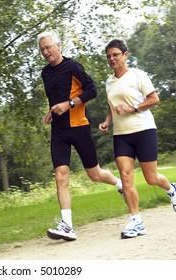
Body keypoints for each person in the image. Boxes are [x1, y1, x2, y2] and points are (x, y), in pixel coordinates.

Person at [37, 31, 123, 242]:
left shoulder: (73, 66)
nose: (45, 52)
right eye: (42, 49)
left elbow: (91, 90)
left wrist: (70, 104)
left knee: (94, 175)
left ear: (58, 45)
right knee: (60, 175)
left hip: (79, 127)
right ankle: (67, 226)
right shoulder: (45, 73)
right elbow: (56, 97)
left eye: (48, 47)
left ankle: (118, 183)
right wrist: (51, 111)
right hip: (59, 130)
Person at [99, 39, 176, 239]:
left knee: (151, 178)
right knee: (126, 177)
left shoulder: (138, 75)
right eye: (109, 56)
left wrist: (133, 108)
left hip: (143, 130)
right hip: (121, 135)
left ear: (125, 55)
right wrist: (107, 121)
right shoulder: (109, 82)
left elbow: (154, 99)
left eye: (115, 54)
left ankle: (172, 189)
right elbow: (112, 106)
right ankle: (136, 221)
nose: (112, 59)